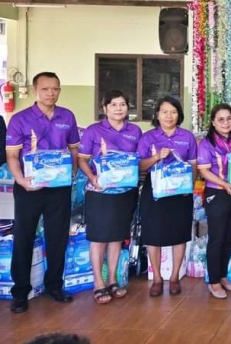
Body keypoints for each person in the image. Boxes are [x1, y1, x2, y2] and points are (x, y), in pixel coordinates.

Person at [6, 72, 79, 314]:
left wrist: (72, 173)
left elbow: (73, 150)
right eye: (46, 89)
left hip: (58, 189)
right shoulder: (20, 119)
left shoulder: (67, 116)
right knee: (24, 236)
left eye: (55, 89)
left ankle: (54, 286)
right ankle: (20, 291)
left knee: (58, 237)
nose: (51, 93)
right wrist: (21, 181)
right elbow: (12, 156)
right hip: (29, 188)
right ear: (36, 90)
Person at [77, 90, 142, 304]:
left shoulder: (135, 131)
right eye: (113, 104)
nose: (118, 108)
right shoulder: (93, 131)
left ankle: (112, 280)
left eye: (122, 104)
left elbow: (138, 160)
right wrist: (93, 178)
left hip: (124, 193)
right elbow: (82, 159)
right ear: (105, 108)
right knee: (98, 238)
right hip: (100, 194)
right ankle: (98, 283)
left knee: (116, 237)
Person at [136, 96, 197, 298]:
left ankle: (174, 278)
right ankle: (157, 279)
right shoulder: (147, 138)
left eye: (173, 111)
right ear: (157, 115)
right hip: (154, 192)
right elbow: (139, 167)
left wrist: (190, 185)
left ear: (179, 114)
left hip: (180, 192)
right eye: (164, 112)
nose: (169, 116)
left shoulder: (187, 137)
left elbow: (194, 165)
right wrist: (156, 157)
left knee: (179, 233)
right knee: (153, 235)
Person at [196, 104, 231, 299]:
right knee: (217, 238)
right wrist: (224, 183)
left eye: (229, 119)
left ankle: (224, 276)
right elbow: (204, 170)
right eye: (221, 119)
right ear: (213, 122)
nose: (225, 123)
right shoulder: (206, 143)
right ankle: (214, 281)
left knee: (228, 237)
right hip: (217, 193)